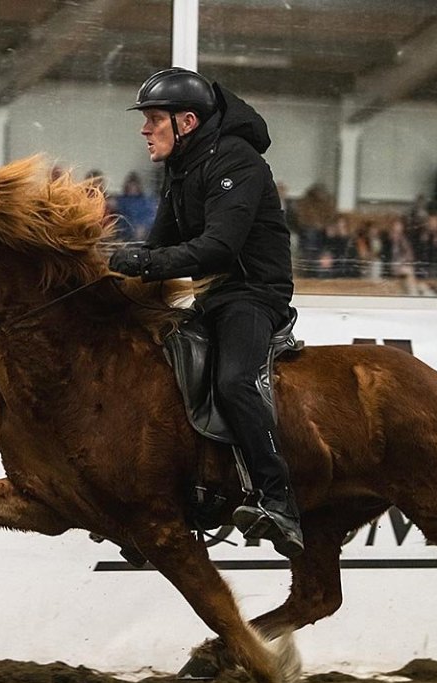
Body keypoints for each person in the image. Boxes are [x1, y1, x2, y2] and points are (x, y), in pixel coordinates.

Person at [108, 68, 304, 558]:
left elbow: (217, 247)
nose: (145, 129)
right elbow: (161, 246)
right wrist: (110, 271)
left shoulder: (235, 161)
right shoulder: (184, 167)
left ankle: (278, 501)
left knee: (235, 381)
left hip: (253, 294)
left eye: (154, 120)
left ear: (187, 121)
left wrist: (147, 261)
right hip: (213, 297)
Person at [114, 171, 157, 242]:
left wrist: (143, 226)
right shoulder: (121, 200)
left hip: (142, 234)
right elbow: (120, 217)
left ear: (138, 186)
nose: (132, 188)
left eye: (134, 185)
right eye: (130, 186)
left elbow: (151, 216)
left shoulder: (146, 201)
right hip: (125, 233)